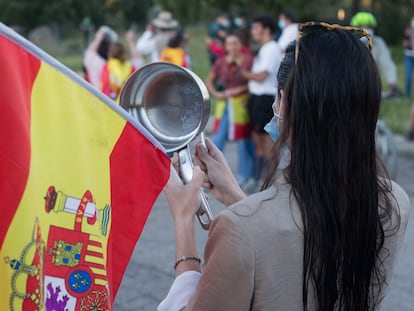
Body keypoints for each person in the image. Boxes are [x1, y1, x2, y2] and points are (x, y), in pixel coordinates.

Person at [158, 22, 410, 310]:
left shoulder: (240, 230)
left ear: (283, 103)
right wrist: (237, 200)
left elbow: (271, 238)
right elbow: (297, 242)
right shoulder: (394, 203)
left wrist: (182, 221)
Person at [204, 33, 255, 191]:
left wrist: (241, 89)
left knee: (243, 141)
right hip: (225, 104)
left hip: (242, 105)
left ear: (241, 44)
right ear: (225, 47)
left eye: (235, 43)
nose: (233, 46)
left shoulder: (248, 60)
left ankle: (246, 177)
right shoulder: (220, 62)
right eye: (229, 43)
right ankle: (209, 175)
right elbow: (209, 79)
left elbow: (256, 81)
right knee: (217, 139)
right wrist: (215, 93)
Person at [241, 15, 282, 187]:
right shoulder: (264, 48)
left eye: (256, 28)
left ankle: (267, 180)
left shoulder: (272, 48)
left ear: (266, 30)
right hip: (257, 99)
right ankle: (257, 178)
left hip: (265, 99)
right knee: (256, 141)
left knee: (266, 144)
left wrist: (243, 73)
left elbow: (261, 76)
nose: (253, 31)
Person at [351, 11, 403, 99]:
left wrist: (392, 83)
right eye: (362, 27)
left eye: (368, 27)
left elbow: (387, 64)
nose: (366, 29)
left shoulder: (379, 43)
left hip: (371, 84)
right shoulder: (349, 43)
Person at [100, 31, 142, 101]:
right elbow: (138, 60)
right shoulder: (130, 67)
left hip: (109, 104)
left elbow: (104, 86)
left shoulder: (107, 66)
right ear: (123, 53)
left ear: (110, 53)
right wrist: (131, 41)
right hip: (124, 105)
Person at [403, 17, 414, 99]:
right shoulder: (408, 30)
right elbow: (405, 44)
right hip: (409, 56)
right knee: (408, 77)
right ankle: (407, 96)